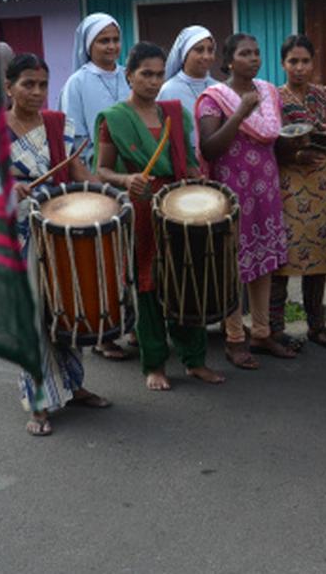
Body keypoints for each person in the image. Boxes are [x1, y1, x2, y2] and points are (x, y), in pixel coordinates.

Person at [95, 43, 225, 391]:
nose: (153, 82)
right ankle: (154, 363)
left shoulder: (176, 114)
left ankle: (195, 360)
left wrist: (197, 175)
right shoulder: (115, 119)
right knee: (149, 286)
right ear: (130, 76)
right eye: (145, 74)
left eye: (158, 75)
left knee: (187, 282)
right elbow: (102, 170)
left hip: (179, 208)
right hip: (141, 209)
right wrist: (126, 179)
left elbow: (190, 161)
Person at [4, 53, 110, 436]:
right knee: (34, 318)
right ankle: (38, 401)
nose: (36, 92)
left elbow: (77, 170)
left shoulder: (55, 125)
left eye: (42, 84)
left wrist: (112, 193)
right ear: (8, 87)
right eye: (27, 84)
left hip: (62, 228)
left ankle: (73, 385)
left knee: (68, 309)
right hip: (20, 234)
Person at [196, 33, 293, 367]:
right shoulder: (214, 99)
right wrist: (239, 114)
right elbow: (209, 148)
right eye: (245, 53)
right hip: (232, 191)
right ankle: (235, 337)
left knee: (263, 260)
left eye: (256, 52)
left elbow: (274, 138)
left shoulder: (267, 92)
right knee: (233, 266)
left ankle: (262, 332)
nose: (253, 58)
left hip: (264, 187)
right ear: (229, 61)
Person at [59, 12, 133, 360]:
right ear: (89, 45)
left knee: (130, 255)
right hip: (96, 176)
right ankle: (103, 334)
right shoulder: (77, 82)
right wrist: (90, 181)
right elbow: (71, 138)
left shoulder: (128, 76)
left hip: (131, 173)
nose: (112, 46)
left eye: (116, 39)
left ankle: (130, 324)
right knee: (105, 257)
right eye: (103, 40)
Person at [270, 34, 326, 349]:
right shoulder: (273, 97)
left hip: (323, 182)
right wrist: (296, 154)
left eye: (305, 61)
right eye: (293, 61)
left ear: (313, 63)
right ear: (283, 64)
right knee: (283, 259)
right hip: (290, 183)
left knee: (320, 257)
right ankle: (275, 327)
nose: (299, 68)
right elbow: (270, 143)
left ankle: (317, 325)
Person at [157, 25, 219, 156]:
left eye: (210, 50)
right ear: (185, 53)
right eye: (199, 50)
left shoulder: (219, 89)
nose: (206, 56)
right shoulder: (169, 90)